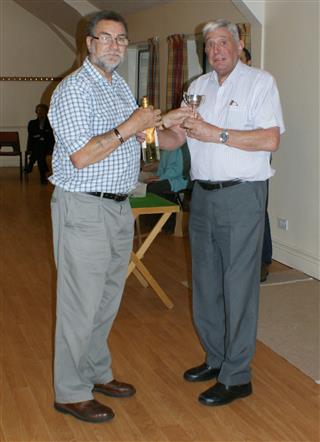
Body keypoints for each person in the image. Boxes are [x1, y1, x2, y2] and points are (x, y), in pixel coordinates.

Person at [47, 10, 174, 424]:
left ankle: (96, 372)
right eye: (106, 38)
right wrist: (129, 126)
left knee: (105, 300)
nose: (115, 46)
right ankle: (70, 391)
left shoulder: (119, 85)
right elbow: (81, 156)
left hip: (120, 206)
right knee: (79, 304)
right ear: (89, 43)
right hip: (83, 206)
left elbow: (138, 137)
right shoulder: (73, 90)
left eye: (121, 39)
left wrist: (164, 124)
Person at [158, 18, 285, 406]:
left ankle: (237, 374)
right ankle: (216, 359)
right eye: (209, 44)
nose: (215, 50)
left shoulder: (260, 82)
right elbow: (176, 138)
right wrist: (153, 128)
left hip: (243, 196)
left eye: (222, 42)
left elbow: (270, 139)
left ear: (239, 43)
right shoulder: (197, 87)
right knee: (206, 283)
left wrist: (218, 134)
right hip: (204, 195)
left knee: (238, 286)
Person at [240, 47, 273, 282]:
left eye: (240, 59)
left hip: (256, 161)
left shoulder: (260, 85)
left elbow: (269, 136)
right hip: (231, 164)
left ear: (248, 60)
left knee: (259, 212)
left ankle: (263, 261)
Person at [143, 147, 189, 233]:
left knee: (153, 188)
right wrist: (155, 178)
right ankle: (157, 223)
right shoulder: (166, 150)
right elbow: (161, 169)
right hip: (167, 178)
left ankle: (165, 223)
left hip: (180, 180)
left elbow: (178, 170)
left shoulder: (181, 149)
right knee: (149, 186)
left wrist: (159, 178)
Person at [24, 103, 54, 184]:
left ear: (46, 112)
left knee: (39, 147)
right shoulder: (32, 123)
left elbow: (50, 136)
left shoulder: (50, 123)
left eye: (43, 111)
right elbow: (32, 133)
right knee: (40, 153)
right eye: (39, 111)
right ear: (36, 112)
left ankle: (31, 164)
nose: (40, 112)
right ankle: (42, 177)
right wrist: (43, 134)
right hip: (35, 146)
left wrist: (39, 135)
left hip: (48, 146)